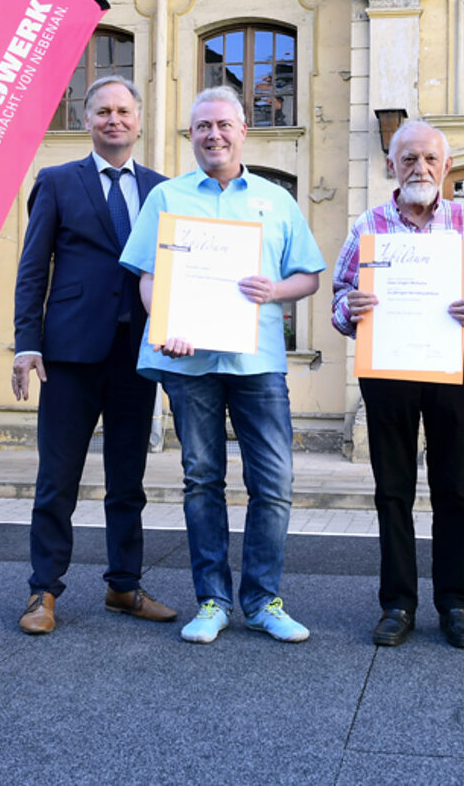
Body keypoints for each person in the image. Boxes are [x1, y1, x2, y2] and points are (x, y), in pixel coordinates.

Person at [119, 87, 326, 645]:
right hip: (189, 365)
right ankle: (212, 599)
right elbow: (146, 276)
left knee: (274, 482)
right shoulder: (166, 197)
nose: (213, 135)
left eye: (223, 125)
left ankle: (262, 600)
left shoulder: (276, 201)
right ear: (191, 136)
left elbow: (309, 275)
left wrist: (275, 289)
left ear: (242, 132)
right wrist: (165, 325)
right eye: (202, 126)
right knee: (201, 479)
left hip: (257, 361)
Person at [11, 76, 175, 635]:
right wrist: (27, 341)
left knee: (128, 479)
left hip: (136, 355)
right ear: (87, 119)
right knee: (57, 478)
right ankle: (42, 592)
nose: (114, 120)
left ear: (137, 120)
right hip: (69, 355)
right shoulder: (57, 182)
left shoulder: (161, 189)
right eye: (103, 110)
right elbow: (34, 266)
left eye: (123, 111)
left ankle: (124, 586)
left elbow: (175, 271)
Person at [331, 120, 464, 649]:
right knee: (392, 491)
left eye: (429, 159)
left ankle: (455, 604)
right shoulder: (369, 224)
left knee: (454, 490)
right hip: (387, 368)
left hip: (450, 367)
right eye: (408, 159)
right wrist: (349, 306)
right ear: (391, 167)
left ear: (446, 167)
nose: (420, 168)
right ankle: (398, 603)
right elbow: (339, 293)